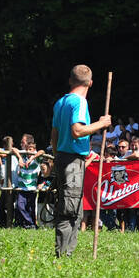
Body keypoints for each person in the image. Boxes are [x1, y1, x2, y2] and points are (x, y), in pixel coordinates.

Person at [50, 64, 110, 257]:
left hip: (62, 157)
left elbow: (55, 133)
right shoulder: (79, 102)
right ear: (90, 83)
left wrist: (57, 155)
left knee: (69, 206)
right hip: (73, 161)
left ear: (70, 80)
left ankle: (64, 252)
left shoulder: (60, 102)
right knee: (71, 209)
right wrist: (101, 124)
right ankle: (64, 255)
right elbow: (77, 131)